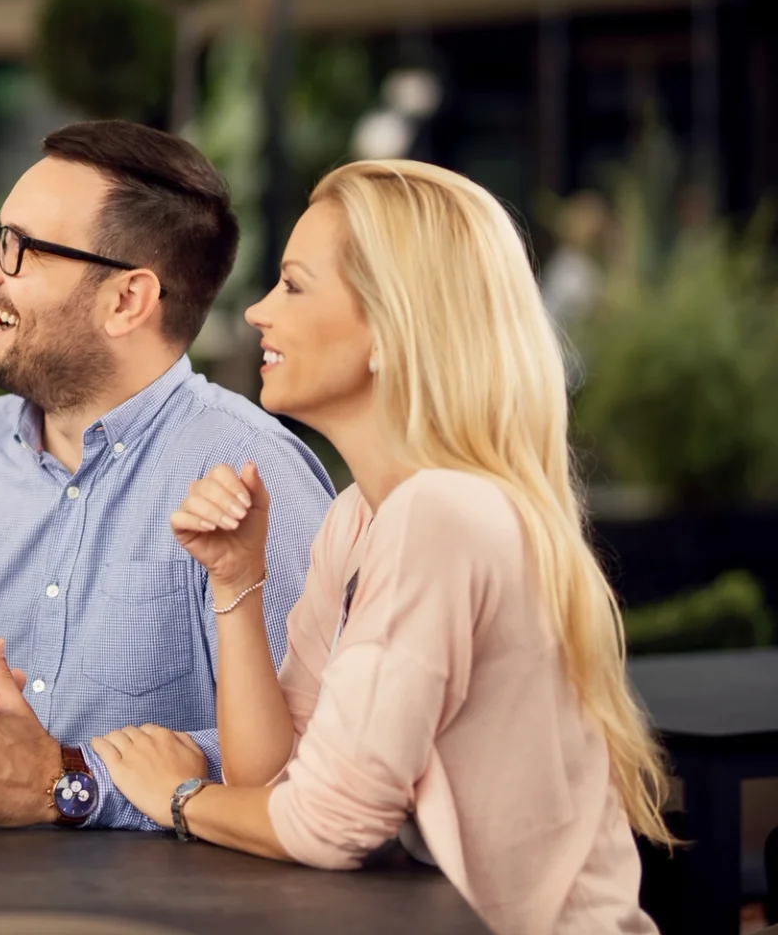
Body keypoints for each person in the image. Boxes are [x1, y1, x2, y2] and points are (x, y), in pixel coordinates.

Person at [89, 160, 669, 935]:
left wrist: (175, 797)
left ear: (393, 330)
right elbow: (273, 775)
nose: (258, 311)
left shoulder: (442, 516)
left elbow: (326, 828)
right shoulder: (361, 517)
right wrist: (236, 580)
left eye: (294, 285)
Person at [0, 120, 335, 830]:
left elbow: (309, 754)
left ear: (126, 302)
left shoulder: (260, 479)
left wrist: (69, 782)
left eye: (18, 248)